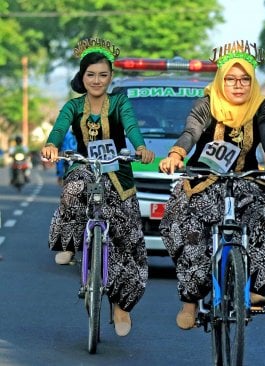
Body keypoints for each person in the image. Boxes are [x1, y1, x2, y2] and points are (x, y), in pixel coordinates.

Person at [158, 40, 265, 330]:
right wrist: (176, 154)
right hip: (203, 180)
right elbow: (191, 132)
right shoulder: (206, 103)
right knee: (190, 230)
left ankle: (256, 288)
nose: (238, 85)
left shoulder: (262, 105)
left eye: (245, 79)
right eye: (232, 79)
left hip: (245, 180)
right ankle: (190, 302)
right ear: (222, 80)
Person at [40, 37, 155, 337]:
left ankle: (121, 307)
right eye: (91, 74)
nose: (97, 80)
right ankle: (68, 245)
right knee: (73, 189)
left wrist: (141, 147)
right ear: (82, 77)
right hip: (84, 167)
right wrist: (52, 145)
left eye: (103, 75)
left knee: (127, 241)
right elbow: (58, 129)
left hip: (117, 173)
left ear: (111, 77)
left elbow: (131, 126)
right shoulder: (73, 105)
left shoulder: (119, 102)